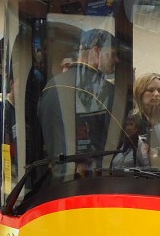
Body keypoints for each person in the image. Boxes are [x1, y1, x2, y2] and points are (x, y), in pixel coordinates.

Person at [38, 28, 117, 176]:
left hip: (57, 179)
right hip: (91, 179)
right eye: (112, 54)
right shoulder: (105, 90)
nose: (116, 60)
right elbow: (109, 143)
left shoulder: (52, 85)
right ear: (96, 52)